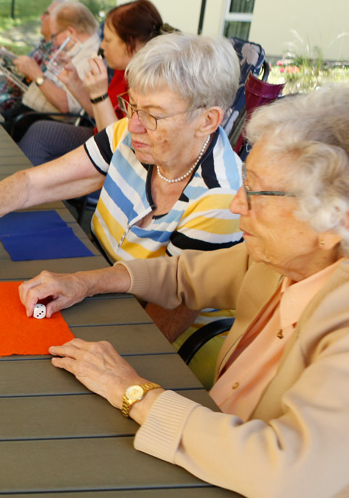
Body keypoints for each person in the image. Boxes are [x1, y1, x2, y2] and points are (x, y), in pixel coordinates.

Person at [18, 85, 349, 496]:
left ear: (335, 219)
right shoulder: (280, 260)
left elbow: (285, 472)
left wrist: (131, 391)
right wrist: (85, 281)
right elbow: (183, 276)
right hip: (205, 445)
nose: (236, 205)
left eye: (257, 192)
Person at [0, 34, 243, 341]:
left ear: (207, 121)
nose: (134, 125)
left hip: (152, 327)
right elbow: (31, 184)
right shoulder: (129, 135)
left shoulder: (222, 198)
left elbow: (169, 315)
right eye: (133, 106)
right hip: (96, 285)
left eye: (153, 115)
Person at [19, 0, 165, 166]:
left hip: (120, 156)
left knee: (39, 135)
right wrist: (74, 83)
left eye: (108, 40)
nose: (102, 46)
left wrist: (99, 94)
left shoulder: (148, 85)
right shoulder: (122, 68)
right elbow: (100, 115)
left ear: (129, 43)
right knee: (39, 131)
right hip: (102, 136)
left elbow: (117, 148)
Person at [3, 0, 101, 141]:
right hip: (27, 113)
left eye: (54, 36)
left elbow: (66, 106)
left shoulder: (89, 57)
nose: (53, 42)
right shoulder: (73, 49)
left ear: (71, 32)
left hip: (40, 122)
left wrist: (36, 74)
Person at [0, 0, 61, 117]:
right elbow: (21, 74)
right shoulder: (43, 46)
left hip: (8, 103)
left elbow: (26, 83)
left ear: (58, 22)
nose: (41, 17)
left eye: (46, 14)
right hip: (0, 94)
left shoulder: (54, 52)